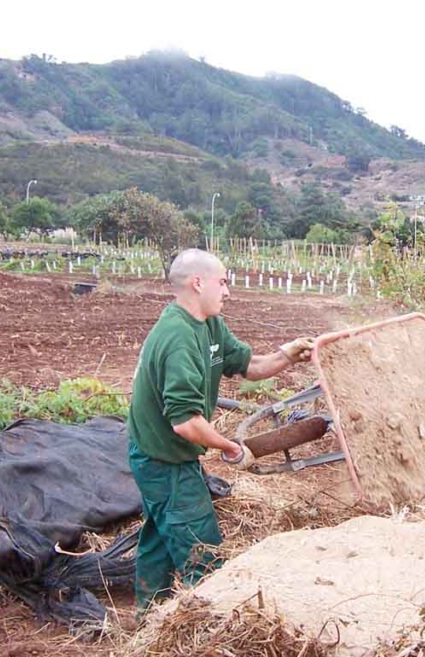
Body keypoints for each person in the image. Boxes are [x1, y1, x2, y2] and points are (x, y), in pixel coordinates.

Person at [127, 248, 314, 610]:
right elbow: (185, 423)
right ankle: (211, 624)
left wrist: (287, 354)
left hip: (166, 454)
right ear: (198, 283)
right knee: (202, 548)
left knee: (160, 538)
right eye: (224, 282)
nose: (228, 291)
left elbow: (250, 365)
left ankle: (146, 613)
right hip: (163, 459)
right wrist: (230, 447)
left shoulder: (208, 324)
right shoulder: (178, 338)